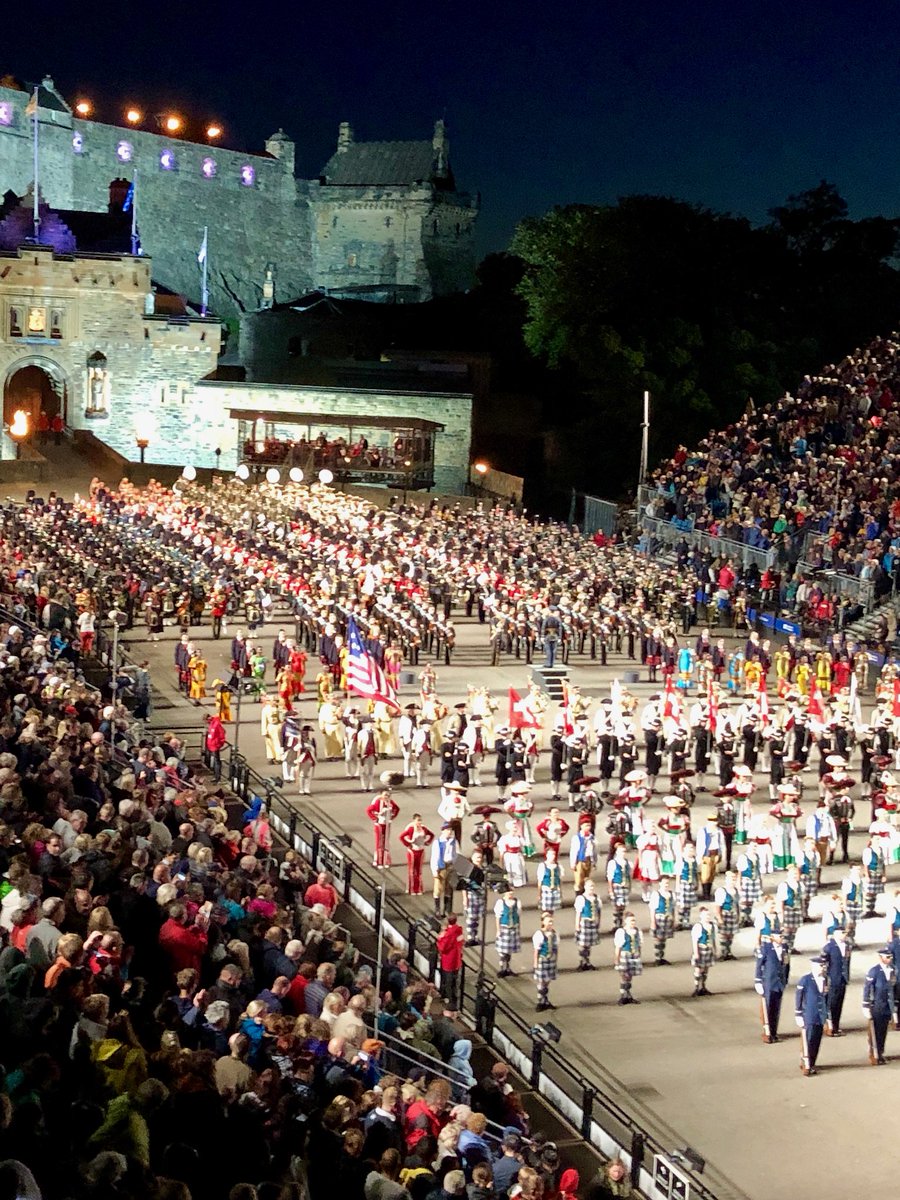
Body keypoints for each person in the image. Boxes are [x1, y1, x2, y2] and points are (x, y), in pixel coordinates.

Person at [795, 954, 829, 1075]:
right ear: (814, 967)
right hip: (809, 1014)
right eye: (820, 966)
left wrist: (827, 1013)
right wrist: (798, 1013)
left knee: (816, 1040)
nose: (823, 968)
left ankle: (812, 1062)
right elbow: (799, 997)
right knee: (808, 1039)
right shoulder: (805, 980)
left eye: (824, 966)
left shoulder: (825, 979)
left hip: (820, 1015)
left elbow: (826, 997)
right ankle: (806, 1062)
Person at [863, 944, 895, 1065]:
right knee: (874, 1032)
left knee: (883, 1031)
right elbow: (867, 988)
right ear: (881, 958)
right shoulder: (874, 971)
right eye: (887, 957)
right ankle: (874, 1054)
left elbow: (893, 988)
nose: (889, 959)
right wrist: (866, 1004)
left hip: (887, 1006)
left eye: (890, 957)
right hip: (876, 1006)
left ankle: (880, 1052)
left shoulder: (892, 970)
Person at [755, 932, 788, 1044]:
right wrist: (758, 980)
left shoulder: (784, 948)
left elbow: (786, 964)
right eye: (779, 936)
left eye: (782, 936)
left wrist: (785, 980)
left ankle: (774, 1031)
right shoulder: (766, 948)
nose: (781, 938)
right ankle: (767, 1032)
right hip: (769, 982)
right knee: (767, 1007)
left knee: (776, 1008)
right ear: (773, 938)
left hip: (779, 983)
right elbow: (759, 965)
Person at [822, 927, 851, 1037]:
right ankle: (829, 1027)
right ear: (836, 934)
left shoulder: (847, 946)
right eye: (842, 933)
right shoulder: (829, 947)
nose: (845, 935)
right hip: (832, 980)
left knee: (839, 1004)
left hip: (842, 979)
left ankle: (836, 1026)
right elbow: (823, 965)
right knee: (831, 1004)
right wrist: (825, 980)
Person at [399, 813, 435, 896]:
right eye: (418, 820)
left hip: (421, 851)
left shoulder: (424, 829)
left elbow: (431, 835)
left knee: (419, 871)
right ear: (414, 821)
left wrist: (427, 842)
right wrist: (408, 844)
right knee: (412, 870)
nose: (419, 822)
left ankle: (418, 888)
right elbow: (401, 837)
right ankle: (411, 888)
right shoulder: (411, 829)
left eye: (420, 820)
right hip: (412, 851)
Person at [613, 910, 643, 1005]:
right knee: (624, 976)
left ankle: (628, 995)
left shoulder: (637, 931)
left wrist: (639, 954)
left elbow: (639, 945)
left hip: (634, 955)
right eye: (631, 921)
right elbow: (618, 947)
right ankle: (623, 996)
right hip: (624, 956)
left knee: (629, 977)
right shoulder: (621, 932)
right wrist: (616, 960)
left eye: (634, 920)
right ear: (626, 921)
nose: (633, 922)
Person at [437, 914, 464, 1016]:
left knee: (448, 982)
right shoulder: (459, 930)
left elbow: (443, 947)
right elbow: (461, 942)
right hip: (456, 959)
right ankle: (454, 1001)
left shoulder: (448, 933)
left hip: (448, 960)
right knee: (454, 981)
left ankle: (450, 1002)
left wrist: (440, 937)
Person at [532, 911, 559, 1012]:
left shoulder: (554, 934)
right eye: (548, 922)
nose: (550, 924)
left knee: (547, 981)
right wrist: (535, 963)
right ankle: (540, 1001)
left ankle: (545, 1000)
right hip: (542, 960)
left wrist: (555, 960)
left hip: (551, 960)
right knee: (541, 982)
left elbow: (556, 949)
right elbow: (536, 950)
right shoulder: (539, 934)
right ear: (543, 922)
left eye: (551, 922)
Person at [431, 824, 458, 917]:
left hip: (450, 866)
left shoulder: (453, 841)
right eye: (447, 830)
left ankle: (447, 909)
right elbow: (434, 857)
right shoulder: (438, 842)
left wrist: (455, 865)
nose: (449, 832)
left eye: (450, 830)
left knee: (449, 888)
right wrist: (435, 870)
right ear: (443, 831)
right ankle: (437, 909)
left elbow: (456, 854)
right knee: (438, 889)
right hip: (441, 867)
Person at [574, 879, 601, 970]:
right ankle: (582, 962)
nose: (591, 888)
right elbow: (579, 913)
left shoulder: (596, 898)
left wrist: (598, 923)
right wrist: (577, 925)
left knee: (588, 944)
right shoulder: (581, 898)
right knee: (582, 944)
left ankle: (587, 961)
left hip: (593, 922)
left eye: (592, 886)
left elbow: (599, 912)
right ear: (585, 887)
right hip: (584, 922)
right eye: (589, 886)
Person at [647, 877, 675, 966]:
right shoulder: (656, 894)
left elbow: (672, 908)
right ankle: (657, 958)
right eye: (664, 883)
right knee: (658, 938)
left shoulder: (671, 894)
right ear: (660, 884)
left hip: (668, 918)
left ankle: (662, 957)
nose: (666, 884)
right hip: (659, 918)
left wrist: (673, 919)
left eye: (667, 883)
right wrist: (653, 922)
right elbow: (652, 909)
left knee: (664, 939)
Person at [494, 888, 522, 977]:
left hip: (513, 928)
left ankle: (508, 968)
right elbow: (498, 918)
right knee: (503, 952)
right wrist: (498, 930)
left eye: (511, 891)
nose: (510, 893)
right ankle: (502, 968)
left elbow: (518, 916)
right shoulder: (500, 903)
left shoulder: (517, 902)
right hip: (504, 928)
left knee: (509, 951)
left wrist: (518, 928)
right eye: (508, 891)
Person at [690, 906, 717, 997]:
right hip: (701, 949)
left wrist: (714, 949)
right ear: (701, 916)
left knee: (706, 969)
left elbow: (713, 938)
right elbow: (695, 941)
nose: (707, 917)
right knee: (698, 969)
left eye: (708, 915)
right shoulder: (698, 926)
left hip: (709, 949)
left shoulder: (712, 926)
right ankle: (697, 987)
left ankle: (703, 987)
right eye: (705, 915)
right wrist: (696, 952)